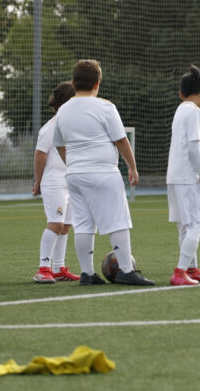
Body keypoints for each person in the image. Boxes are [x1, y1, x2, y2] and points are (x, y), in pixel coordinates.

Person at [53, 59, 154, 286]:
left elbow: (58, 144)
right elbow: (120, 140)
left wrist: (71, 163)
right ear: (97, 83)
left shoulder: (63, 110)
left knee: (83, 224)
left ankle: (87, 274)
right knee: (117, 221)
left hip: (75, 175)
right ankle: (126, 270)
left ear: (73, 82)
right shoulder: (105, 106)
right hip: (102, 172)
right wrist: (132, 167)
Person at [166, 65, 200, 286]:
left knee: (185, 226)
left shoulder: (180, 110)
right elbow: (194, 149)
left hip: (174, 176)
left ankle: (191, 269)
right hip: (188, 177)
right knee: (199, 223)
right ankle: (180, 271)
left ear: (181, 93)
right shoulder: (195, 111)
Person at [31, 81, 81, 283]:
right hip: (54, 182)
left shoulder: (71, 125)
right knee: (56, 223)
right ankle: (43, 268)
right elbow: (40, 154)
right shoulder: (50, 127)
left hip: (69, 183)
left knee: (66, 225)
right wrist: (38, 181)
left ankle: (59, 268)